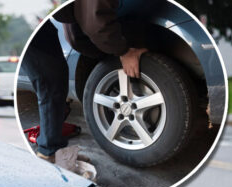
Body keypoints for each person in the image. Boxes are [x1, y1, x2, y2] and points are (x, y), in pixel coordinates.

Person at [21, 0, 147, 162]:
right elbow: (94, 22)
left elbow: (77, 27)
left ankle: (49, 146)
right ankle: (49, 152)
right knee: (51, 85)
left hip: (39, 23)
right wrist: (123, 51)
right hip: (28, 23)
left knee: (56, 80)